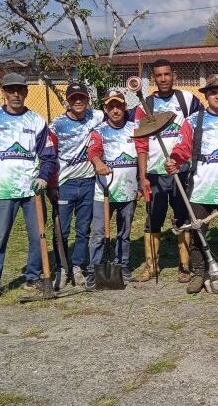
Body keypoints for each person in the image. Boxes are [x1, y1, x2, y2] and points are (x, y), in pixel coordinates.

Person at [0, 73, 58, 308]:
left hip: (31, 191)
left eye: (19, 90)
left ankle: (33, 278)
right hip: (2, 191)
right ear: (4, 92)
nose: (15, 94)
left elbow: (49, 154)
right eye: (11, 90)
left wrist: (44, 177)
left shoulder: (36, 121)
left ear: (26, 92)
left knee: (37, 237)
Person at [165, 74, 218, 294]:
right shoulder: (192, 121)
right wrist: (175, 160)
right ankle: (200, 272)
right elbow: (182, 148)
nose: (217, 95)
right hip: (200, 188)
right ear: (207, 96)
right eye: (213, 92)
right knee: (198, 231)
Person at [136, 59, 206, 283]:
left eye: (167, 74)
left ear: (173, 75)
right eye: (159, 75)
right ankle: (151, 266)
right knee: (153, 219)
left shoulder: (188, 100)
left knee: (183, 218)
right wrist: (143, 176)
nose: (163, 79)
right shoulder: (144, 104)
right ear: (153, 78)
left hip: (181, 169)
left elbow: (200, 128)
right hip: (155, 174)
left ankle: (184, 266)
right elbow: (141, 144)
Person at [86, 90, 148, 288]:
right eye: (111, 106)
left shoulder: (135, 129)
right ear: (105, 109)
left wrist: (142, 180)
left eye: (119, 106)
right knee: (98, 233)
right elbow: (93, 151)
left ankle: (122, 265)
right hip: (104, 192)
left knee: (124, 232)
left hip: (128, 190)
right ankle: (94, 269)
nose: (115, 110)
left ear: (124, 107)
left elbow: (141, 153)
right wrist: (98, 164)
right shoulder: (99, 131)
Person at [47, 83, 104, 289]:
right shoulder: (57, 125)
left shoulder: (96, 116)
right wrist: (51, 184)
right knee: (61, 231)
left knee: (83, 229)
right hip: (65, 184)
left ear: (88, 100)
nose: (78, 102)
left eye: (82, 98)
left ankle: (78, 266)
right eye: (73, 99)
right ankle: (62, 268)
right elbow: (48, 155)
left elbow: (118, 112)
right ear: (68, 102)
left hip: (89, 182)